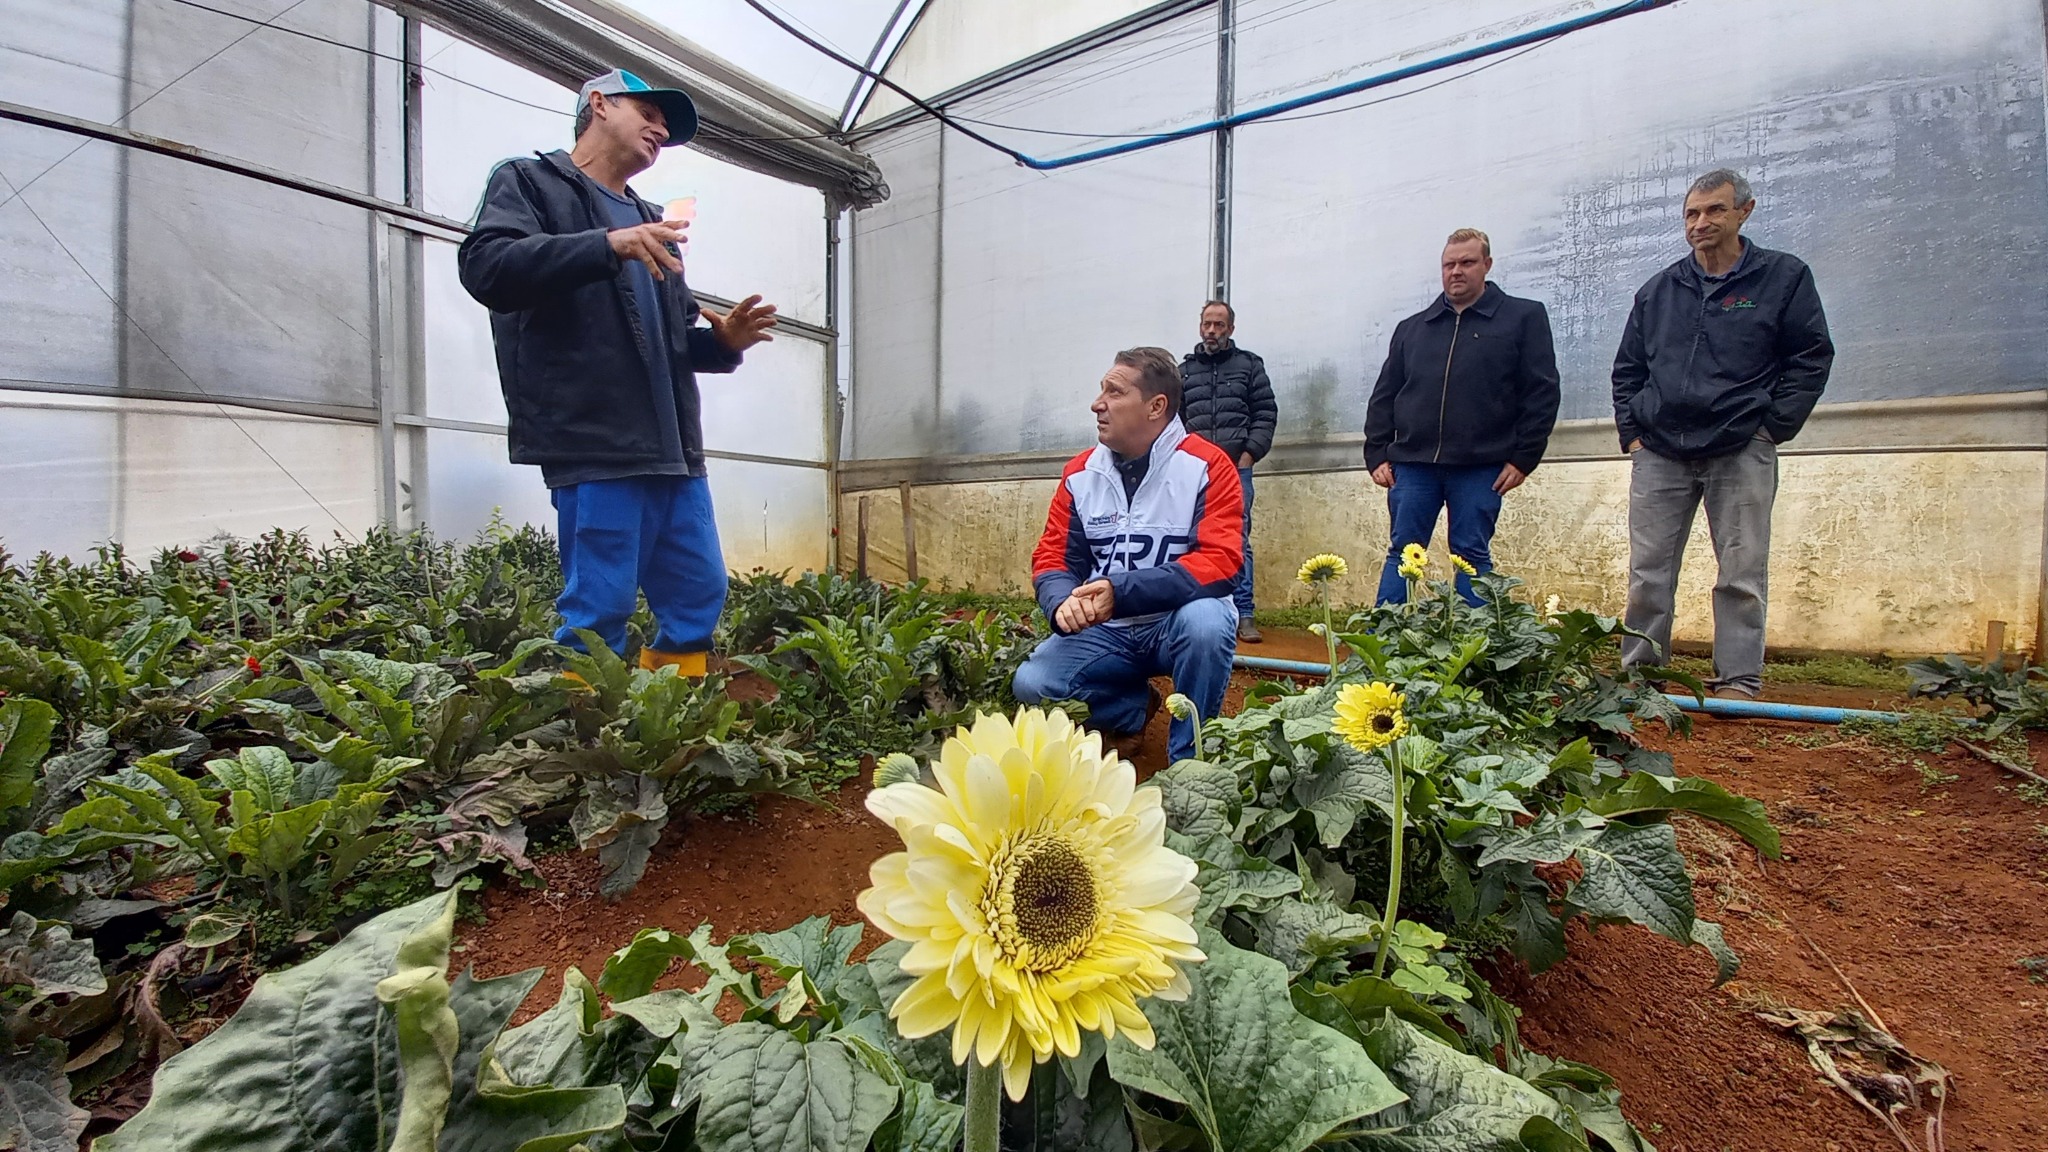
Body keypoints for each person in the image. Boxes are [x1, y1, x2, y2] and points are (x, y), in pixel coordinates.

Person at [457, 69, 780, 677]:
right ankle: (581, 729)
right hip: (595, 437)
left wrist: (723, 343)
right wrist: (606, 245)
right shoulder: (529, 183)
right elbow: (488, 268)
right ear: (598, 103)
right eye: (651, 112)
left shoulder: (654, 224)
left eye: (668, 126)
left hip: (672, 445)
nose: (661, 130)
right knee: (599, 599)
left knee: (697, 588)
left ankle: (673, 714)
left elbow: (677, 340)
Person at [1612, 169, 1833, 699]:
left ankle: (1738, 680)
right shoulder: (1661, 289)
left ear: (1744, 212)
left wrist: (1771, 428)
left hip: (1740, 446)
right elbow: (1628, 369)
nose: (1701, 222)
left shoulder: (1782, 278)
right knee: (1648, 572)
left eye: (1714, 210)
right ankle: (1641, 679)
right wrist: (1633, 432)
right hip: (1661, 450)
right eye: (1692, 213)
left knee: (1740, 570)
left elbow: (1810, 357)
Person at [1011, 347, 1244, 764]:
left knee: (1207, 622)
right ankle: (1132, 709)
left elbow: (1221, 561)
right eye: (1102, 390)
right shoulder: (1081, 474)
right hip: (1110, 629)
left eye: (1114, 392)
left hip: (1174, 623)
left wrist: (1121, 591)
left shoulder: (1208, 466)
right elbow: (1054, 557)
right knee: (1033, 683)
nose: (1097, 403)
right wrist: (1062, 600)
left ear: (1156, 407)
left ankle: (1189, 763)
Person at [1363, 228, 1561, 605]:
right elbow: (1384, 395)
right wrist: (1377, 453)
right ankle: (1383, 647)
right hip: (1414, 465)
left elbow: (1542, 392)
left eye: (1467, 263)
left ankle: (1473, 653)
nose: (1456, 271)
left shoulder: (1523, 318)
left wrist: (1524, 458)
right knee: (1403, 554)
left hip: (1481, 466)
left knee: (1471, 555)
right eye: (1449, 264)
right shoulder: (1413, 329)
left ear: (1486, 265)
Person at [1180, 301, 1277, 642]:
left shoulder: (1249, 366)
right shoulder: (1184, 372)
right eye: (1207, 324)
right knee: (1193, 538)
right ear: (1200, 326)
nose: (1212, 331)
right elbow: (1175, 424)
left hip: (1237, 470)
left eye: (1219, 325)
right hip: (1195, 473)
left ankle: (1244, 613)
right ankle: (1202, 609)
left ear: (1231, 329)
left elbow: (1265, 412)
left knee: (1237, 539)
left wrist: (1249, 455)